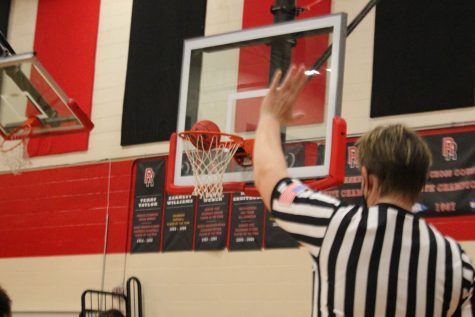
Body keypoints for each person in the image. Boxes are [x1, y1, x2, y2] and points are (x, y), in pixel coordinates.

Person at [253, 64, 475, 316]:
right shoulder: (457, 261)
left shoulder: (333, 225)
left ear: (367, 179)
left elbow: (268, 177)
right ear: (421, 185)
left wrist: (269, 117)